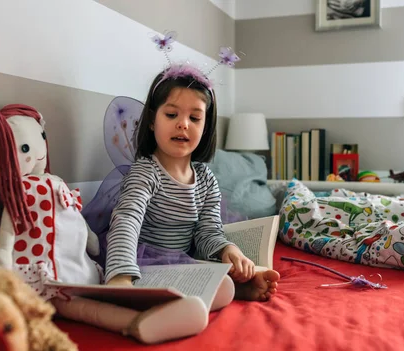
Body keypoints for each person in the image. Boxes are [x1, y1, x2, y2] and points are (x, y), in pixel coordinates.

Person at [103, 68, 280, 302]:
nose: (183, 124)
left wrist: (228, 250)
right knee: (212, 288)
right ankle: (224, 293)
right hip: (141, 264)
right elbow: (127, 219)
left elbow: (208, 232)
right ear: (152, 122)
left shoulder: (205, 178)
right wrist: (121, 276)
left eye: (194, 118)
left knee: (219, 277)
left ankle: (235, 288)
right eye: (171, 115)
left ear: (205, 128)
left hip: (183, 264)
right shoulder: (146, 172)